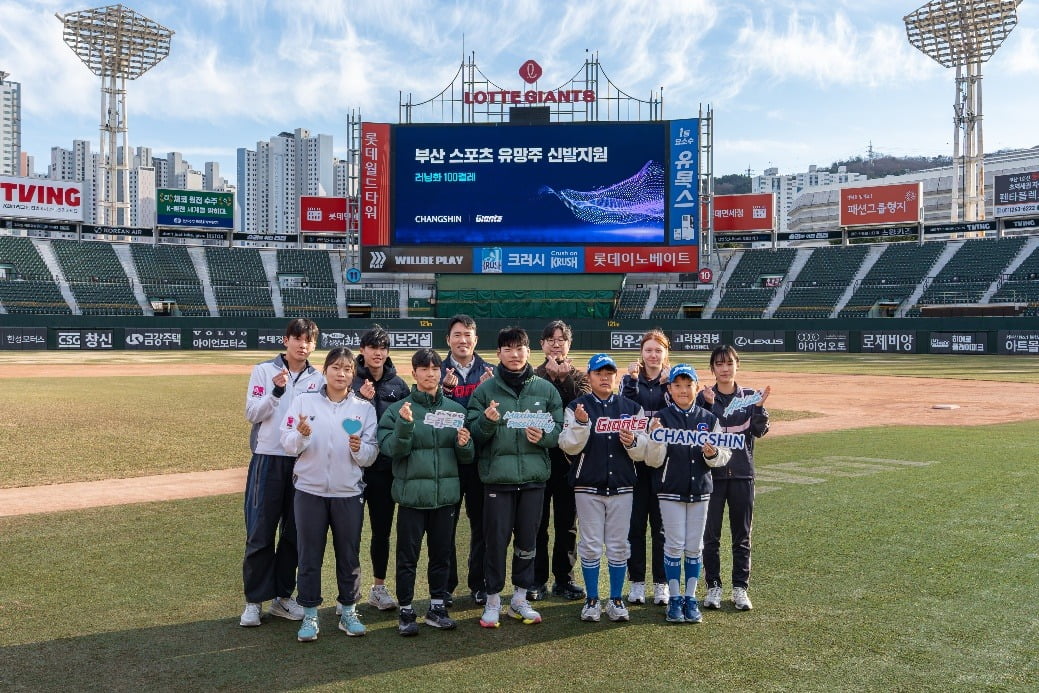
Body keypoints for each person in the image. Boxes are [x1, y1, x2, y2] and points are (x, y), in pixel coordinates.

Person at [465, 326, 564, 628]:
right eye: (508, 348)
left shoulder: (545, 390)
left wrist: (544, 436)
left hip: (534, 480)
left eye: (519, 348)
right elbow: (472, 434)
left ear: (528, 351)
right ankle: (493, 599)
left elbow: (558, 429)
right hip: (498, 480)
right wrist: (486, 422)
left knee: (527, 541)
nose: (514, 354)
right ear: (498, 354)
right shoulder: (484, 391)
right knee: (495, 542)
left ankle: (519, 598)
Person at [280, 347, 379, 642]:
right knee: (309, 555)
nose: (341, 373)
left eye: (347, 369)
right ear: (325, 370)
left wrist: (360, 449)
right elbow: (287, 443)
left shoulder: (363, 408)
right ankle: (310, 615)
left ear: (353, 374)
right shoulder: (303, 400)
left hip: (348, 493)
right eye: (336, 367)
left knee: (348, 555)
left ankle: (348, 610)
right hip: (309, 491)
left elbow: (372, 454)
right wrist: (302, 435)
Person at [379, 348, 475, 636]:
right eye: (424, 369)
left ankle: (436, 607)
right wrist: (405, 427)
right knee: (408, 556)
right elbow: (391, 450)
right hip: (411, 497)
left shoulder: (456, 411)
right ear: (414, 373)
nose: (430, 374)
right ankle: (406, 610)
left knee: (441, 554)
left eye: (434, 369)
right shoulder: (398, 411)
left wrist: (464, 444)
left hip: (445, 497)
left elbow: (466, 458)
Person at [240, 318, 323, 627]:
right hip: (267, 460)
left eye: (309, 341)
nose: (303, 345)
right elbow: (252, 413)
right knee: (260, 532)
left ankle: (283, 598)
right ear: (285, 340)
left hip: (302, 462)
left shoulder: (318, 378)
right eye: (298, 339)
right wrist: (275, 393)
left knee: (294, 534)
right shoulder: (264, 371)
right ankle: (253, 602)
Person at [558, 354, 649, 623]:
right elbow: (568, 445)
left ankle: (616, 599)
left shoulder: (632, 408)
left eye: (609, 373)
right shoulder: (577, 407)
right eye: (599, 373)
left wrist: (633, 442)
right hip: (588, 486)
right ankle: (592, 599)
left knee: (619, 546)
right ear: (589, 377)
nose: (605, 377)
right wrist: (583, 424)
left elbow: (642, 452)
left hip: (622, 486)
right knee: (591, 546)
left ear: (615, 376)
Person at [644, 364, 732, 624]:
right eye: (677, 386)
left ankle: (690, 598)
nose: (683, 390)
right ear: (669, 389)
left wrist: (712, 454)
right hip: (670, 490)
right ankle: (674, 598)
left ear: (697, 387)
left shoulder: (709, 418)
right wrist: (656, 437)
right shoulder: (661, 417)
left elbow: (724, 454)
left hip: (700, 491)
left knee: (694, 547)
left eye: (688, 385)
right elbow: (652, 459)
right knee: (673, 545)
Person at [695, 344, 771, 612]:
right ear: (712, 368)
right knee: (710, 537)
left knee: (742, 536)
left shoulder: (750, 396)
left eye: (729, 363)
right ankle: (713, 586)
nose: (724, 369)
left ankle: (740, 588)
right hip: (712, 477)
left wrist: (760, 408)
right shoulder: (704, 397)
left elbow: (760, 431)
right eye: (719, 364)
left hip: (741, 474)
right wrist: (706, 404)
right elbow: (701, 431)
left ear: (736, 365)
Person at [352, 324, 410, 612]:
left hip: (384, 471)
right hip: (352, 470)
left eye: (383, 347)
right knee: (348, 531)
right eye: (373, 347)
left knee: (382, 532)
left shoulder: (397, 385)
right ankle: (347, 592)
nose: (378, 352)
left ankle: (378, 588)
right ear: (362, 350)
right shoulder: (349, 380)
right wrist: (360, 399)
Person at [532, 320, 590, 602]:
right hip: (538, 459)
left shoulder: (581, 377)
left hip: (570, 463)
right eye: (550, 339)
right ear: (542, 345)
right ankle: (536, 579)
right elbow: (531, 407)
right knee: (537, 522)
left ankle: (564, 579)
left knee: (567, 523)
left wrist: (564, 380)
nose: (556, 344)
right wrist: (550, 380)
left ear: (569, 344)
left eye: (561, 339)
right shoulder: (532, 376)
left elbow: (584, 410)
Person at [439, 314, 495, 606]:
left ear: (476, 339)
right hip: (446, 459)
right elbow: (427, 410)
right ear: (448, 339)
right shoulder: (435, 370)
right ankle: (445, 586)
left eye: (468, 335)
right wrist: (443, 391)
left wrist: (490, 390)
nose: (463, 340)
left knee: (481, 524)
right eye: (457, 335)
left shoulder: (491, 372)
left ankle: (480, 583)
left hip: (479, 460)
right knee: (445, 525)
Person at [620, 329, 671, 606]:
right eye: (649, 350)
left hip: (663, 461)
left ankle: (661, 583)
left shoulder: (674, 380)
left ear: (665, 354)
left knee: (661, 527)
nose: (653, 355)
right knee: (635, 526)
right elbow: (627, 411)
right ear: (641, 352)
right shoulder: (630, 380)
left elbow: (675, 412)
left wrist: (666, 385)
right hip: (636, 461)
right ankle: (637, 581)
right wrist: (632, 382)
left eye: (658, 350)